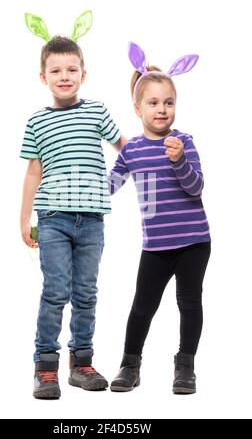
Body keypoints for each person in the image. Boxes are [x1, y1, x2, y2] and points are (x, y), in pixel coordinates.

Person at [20, 33, 126, 399]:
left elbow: (124, 148)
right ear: (43, 76)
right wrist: (23, 219)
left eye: (71, 69)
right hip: (52, 219)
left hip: (92, 221)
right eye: (55, 70)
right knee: (55, 291)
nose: (64, 76)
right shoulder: (37, 122)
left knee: (85, 293)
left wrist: (126, 174)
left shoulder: (96, 111)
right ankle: (45, 367)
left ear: (84, 73)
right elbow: (34, 172)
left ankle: (81, 363)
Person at [108, 43, 211, 394]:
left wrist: (180, 159)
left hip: (194, 242)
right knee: (142, 307)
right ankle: (129, 364)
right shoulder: (132, 150)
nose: (162, 109)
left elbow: (196, 188)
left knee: (190, 303)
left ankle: (185, 366)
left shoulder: (184, 141)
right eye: (153, 103)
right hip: (156, 246)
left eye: (168, 102)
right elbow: (109, 186)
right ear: (138, 108)